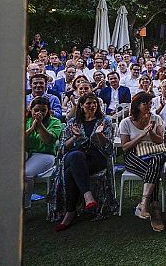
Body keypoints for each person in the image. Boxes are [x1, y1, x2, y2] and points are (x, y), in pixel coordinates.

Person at [51, 93, 115, 231]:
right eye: (88, 103)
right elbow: (62, 148)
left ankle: (70, 212)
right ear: (81, 105)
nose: (92, 106)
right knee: (76, 155)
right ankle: (88, 196)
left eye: (94, 103)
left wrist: (100, 135)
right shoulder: (73, 122)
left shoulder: (105, 121)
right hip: (75, 155)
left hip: (96, 158)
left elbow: (109, 148)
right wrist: (74, 138)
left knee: (70, 172)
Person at [118, 92, 166, 232]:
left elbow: (160, 140)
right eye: (145, 104)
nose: (149, 106)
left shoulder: (156, 118)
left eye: (150, 104)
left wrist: (150, 132)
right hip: (133, 155)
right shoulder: (126, 122)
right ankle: (155, 210)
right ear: (137, 105)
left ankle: (144, 204)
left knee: (157, 160)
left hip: (153, 153)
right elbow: (125, 147)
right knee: (155, 170)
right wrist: (142, 135)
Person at [24, 96, 63, 209]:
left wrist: (40, 125)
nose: (39, 113)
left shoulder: (55, 122)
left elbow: (48, 140)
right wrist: (32, 128)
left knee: (26, 174)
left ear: (48, 111)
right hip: (27, 152)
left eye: (43, 110)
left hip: (45, 155)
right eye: (36, 110)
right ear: (31, 110)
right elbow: (19, 138)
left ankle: (26, 204)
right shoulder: (27, 120)